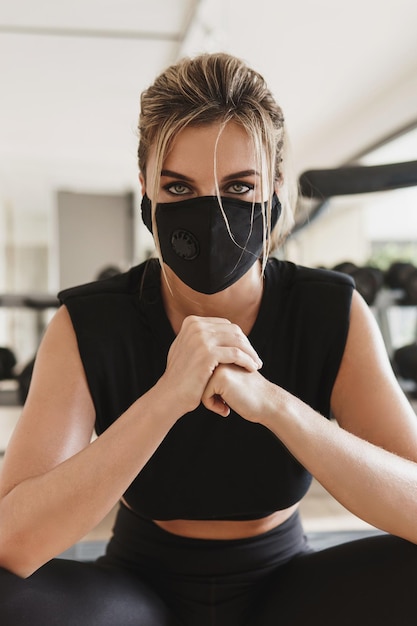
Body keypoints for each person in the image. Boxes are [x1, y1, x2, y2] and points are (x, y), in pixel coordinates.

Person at [0, 52, 417, 626]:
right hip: (137, 593)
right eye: (178, 186)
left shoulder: (330, 309)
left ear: (272, 187)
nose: (209, 215)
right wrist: (168, 396)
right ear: (145, 185)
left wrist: (276, 406)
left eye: (239, 187)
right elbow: (12, 543)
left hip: (289, 592)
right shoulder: (91, 323)